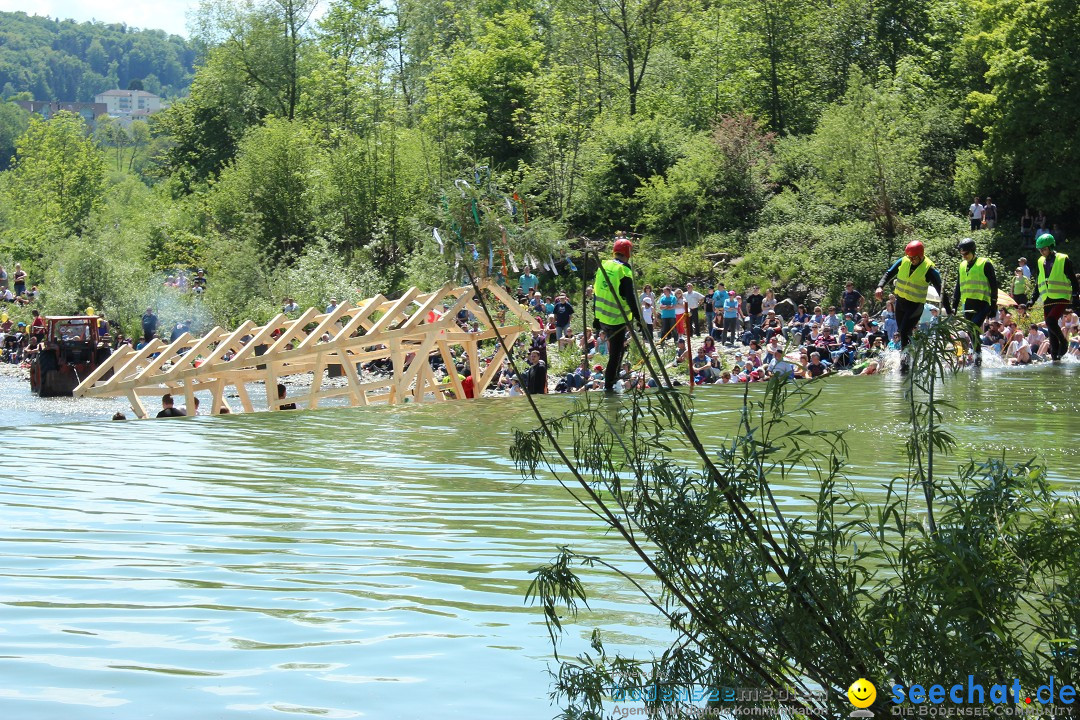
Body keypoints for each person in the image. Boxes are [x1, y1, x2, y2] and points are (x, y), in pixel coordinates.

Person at [875, 240, 951, 359]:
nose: (911, 260)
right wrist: (880, 286)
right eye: (909, 257)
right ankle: (911, 357)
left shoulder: (930, 270)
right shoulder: (904, 261)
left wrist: (949, 310)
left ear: (921, 255)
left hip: (915, 306)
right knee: (903, 332)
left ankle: (904, 362)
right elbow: (889, 273)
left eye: (914, 258)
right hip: (900, 304)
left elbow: (941, 291)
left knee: (905, 331)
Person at [592, 237, 642, 391]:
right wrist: (639, 319)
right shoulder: (624, 271)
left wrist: (595, 317)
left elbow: (596, 292)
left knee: (617, 353)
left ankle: (612, 380)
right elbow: (630, 297)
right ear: (628, 253)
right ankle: (609, 386)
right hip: (616, 319)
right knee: (615, 355)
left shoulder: (603, 266)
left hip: (602, 318)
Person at [1030, 233, 1080, 361]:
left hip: (1062, 296)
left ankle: (1064, 342)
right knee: (1051, 331)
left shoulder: (1063, 259)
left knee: (1051, 321)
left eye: (1044, 249)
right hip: (1048, 298)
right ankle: (1055, 357)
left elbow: (1073, 280)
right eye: (1040, 250)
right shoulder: (1040, 261)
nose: (1042, 252)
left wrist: (1075, 296)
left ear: (1051, 247)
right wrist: (1032, 299)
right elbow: (1038, 282)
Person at [951, 238, 999, 365]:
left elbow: (994, 285)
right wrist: (954, 305)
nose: (964, 256)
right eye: (962, 254)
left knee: (973, 328)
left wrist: (993, 305)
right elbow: (958, 287)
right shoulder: (961, 266)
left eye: (966, 253)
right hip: (967, 305)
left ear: (973, 251)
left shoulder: (985, 264)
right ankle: (978, 356)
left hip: (983, 303)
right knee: (972, 331)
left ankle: (977, 355)